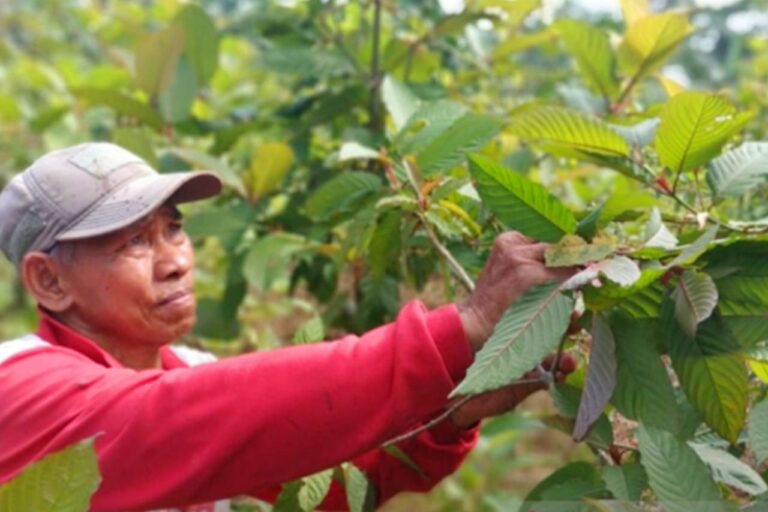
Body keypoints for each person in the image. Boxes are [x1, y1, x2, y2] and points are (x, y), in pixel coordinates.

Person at [0, 142, 574, 511]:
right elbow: (175, 418)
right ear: (49, 281)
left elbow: (330, 489)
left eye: (172, 229)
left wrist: (453, 412)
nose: (174, 259)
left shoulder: (194, 370)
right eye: (132, 241)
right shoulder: (17, 384)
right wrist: (461, 329)